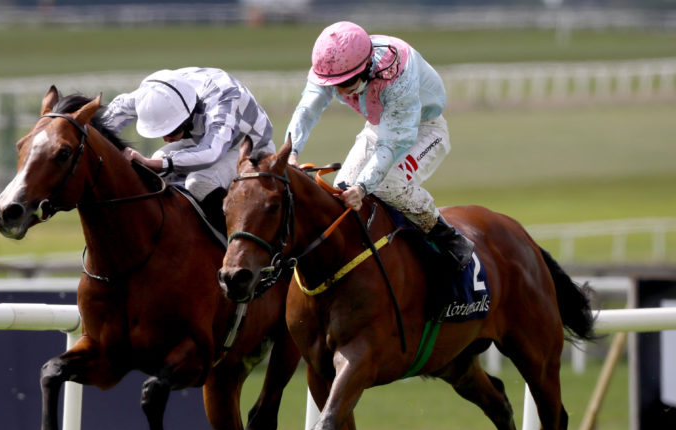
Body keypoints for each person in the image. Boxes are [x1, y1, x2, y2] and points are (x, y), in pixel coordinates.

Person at [285, 21, 474, 270]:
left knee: (385, 184)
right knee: (342, 191)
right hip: (380, 127)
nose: (340, 92)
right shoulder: (332, 65)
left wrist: (363, 187)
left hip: (423, 130)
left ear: (366, 69)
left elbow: (391, 144)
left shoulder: (397, 77)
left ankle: (448, 237)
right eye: (333, 86)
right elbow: (307, 109)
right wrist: (290, 151)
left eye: (345, 85)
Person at [102, 67, 275, 226]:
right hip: (201, 139)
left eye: (171, 131)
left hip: (249, 147)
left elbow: (211, 152)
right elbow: (103, 122)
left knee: (199, 181)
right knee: (154, 169)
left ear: (187, 116)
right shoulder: (152, 94)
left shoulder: (223, 97)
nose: (166, 139)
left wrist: (155, 162)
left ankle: (232, 241)